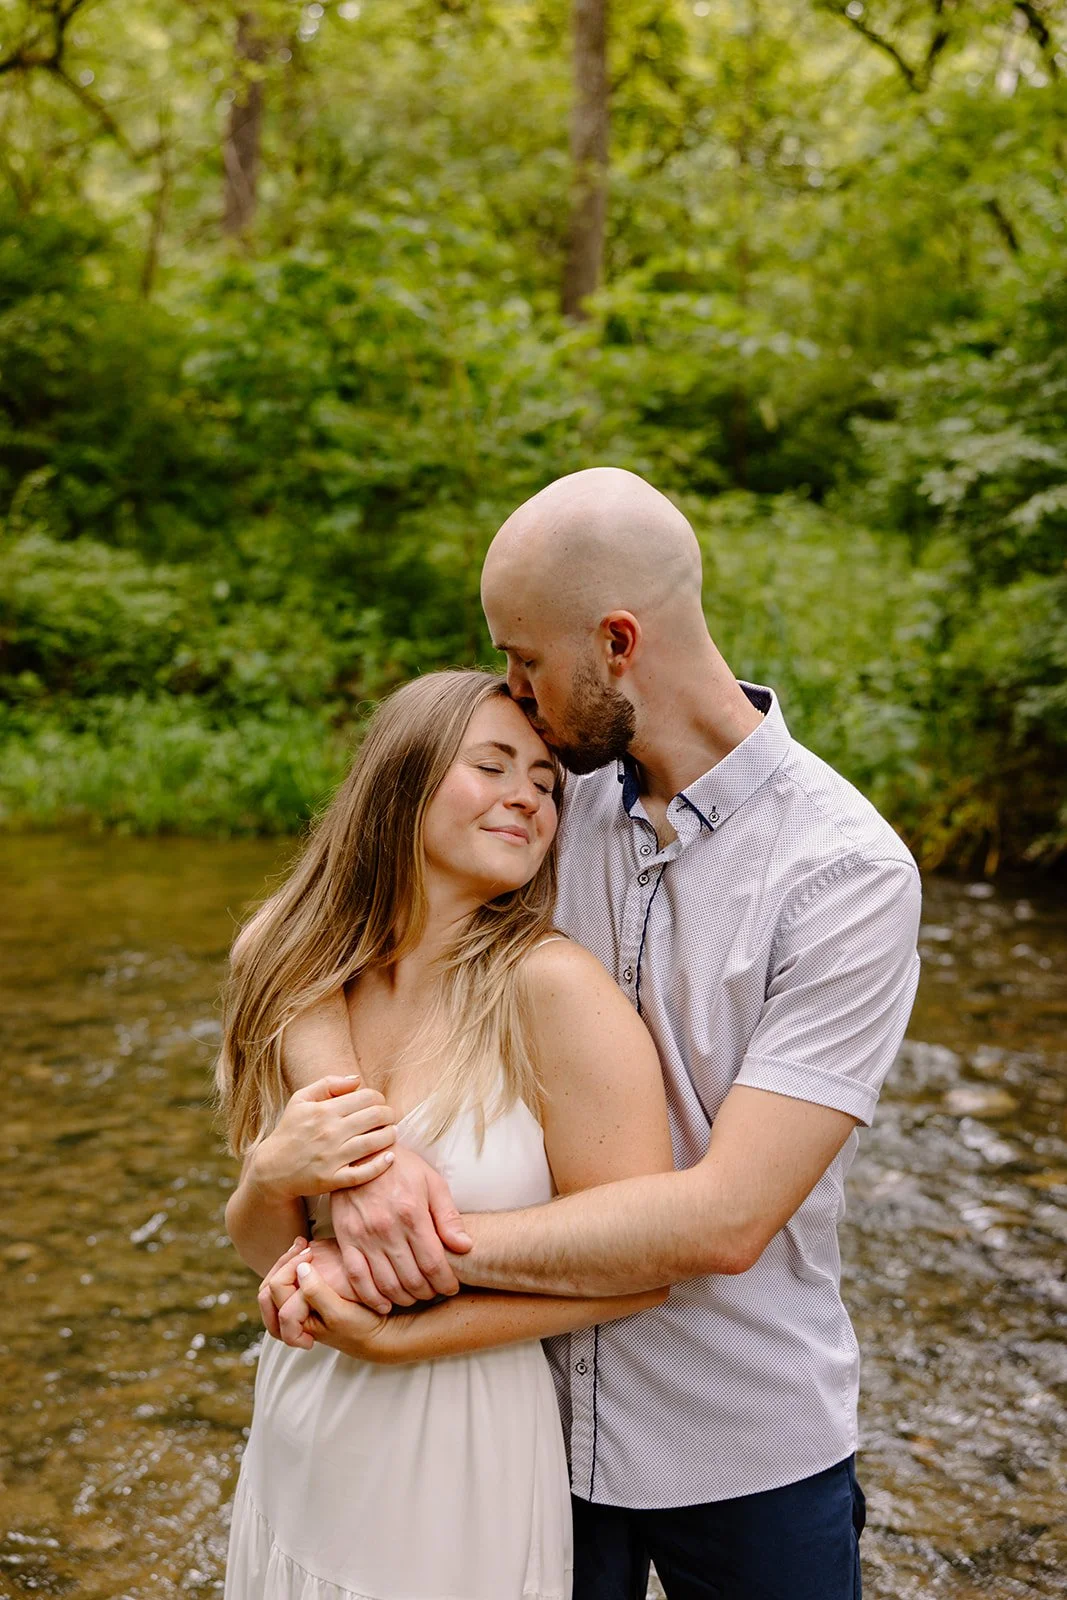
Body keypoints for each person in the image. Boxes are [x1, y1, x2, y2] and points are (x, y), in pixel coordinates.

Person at [277, 469, 923, 1600]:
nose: (515, 696)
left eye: (525, 662)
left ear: (615, 642)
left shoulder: (845, 877)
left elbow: (725, 1220)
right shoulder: (540, 800)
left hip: (739, 1445)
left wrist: (401, 1242)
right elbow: (296, 941)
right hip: (517, 1419)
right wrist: (362, 1155)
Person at [217, 667, 674, 1600]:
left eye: (546, 784)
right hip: (303, 1419)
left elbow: (641, 1272)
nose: (526, 799)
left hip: (463, 1438)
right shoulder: (303, 977)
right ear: (404, 779)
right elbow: (278, 1257)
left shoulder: (551, 989)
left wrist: (403, 1340)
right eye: (491, 766)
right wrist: (270, 1176)